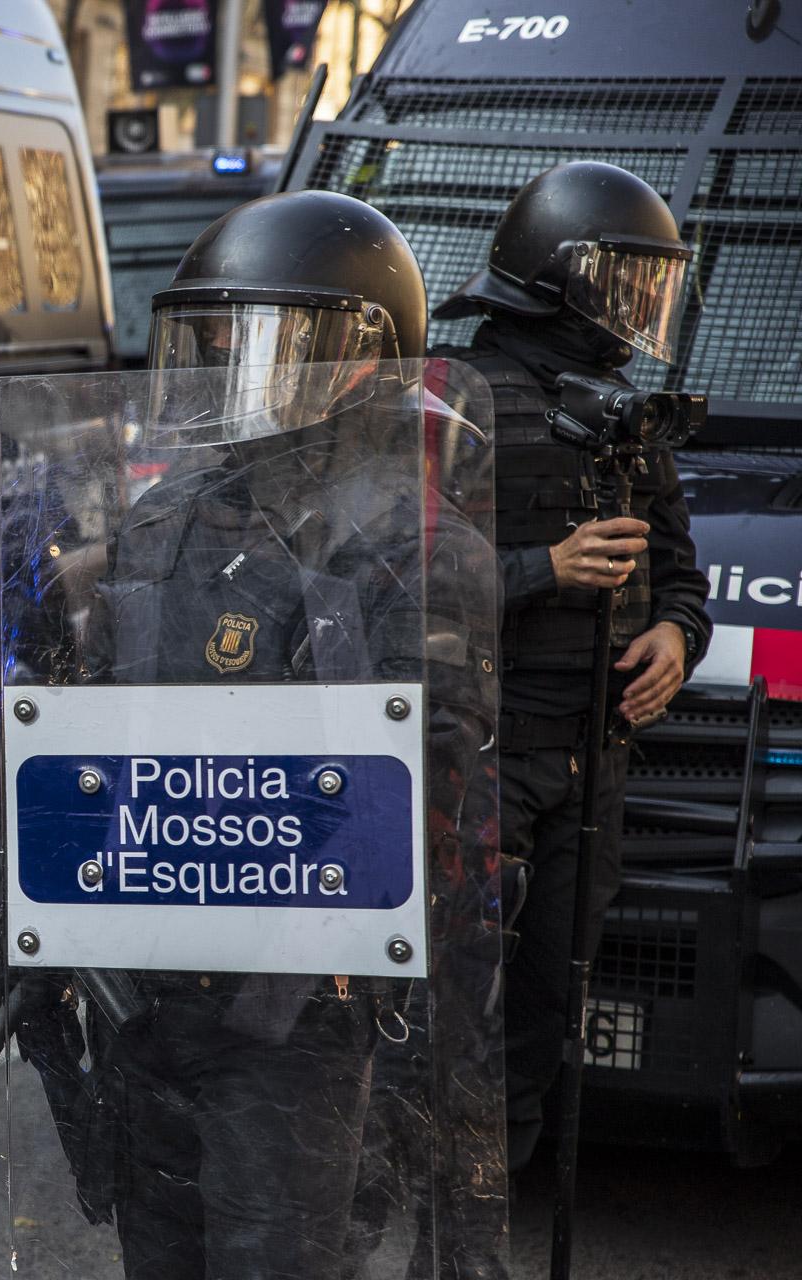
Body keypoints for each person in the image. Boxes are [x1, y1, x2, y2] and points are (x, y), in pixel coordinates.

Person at [16, 190, 502, 1278]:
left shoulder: (416, 546)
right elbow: (93, 731)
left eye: (271, 340)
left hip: (292, 1015)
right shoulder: (164, 515)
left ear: (367, 359)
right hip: (144, 993)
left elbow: (406, 805)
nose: (237, 369)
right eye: (217, 338)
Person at [430, 160, 712, 1174]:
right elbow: (384, 582)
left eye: (654, 284)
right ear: (564, 277)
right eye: (626, 282)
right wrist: (538, 568)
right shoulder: (456, 400)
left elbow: (682, 576)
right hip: (481, 756)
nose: (641, 307)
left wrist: (678, 634)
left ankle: (487, 1219)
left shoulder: (627, 409)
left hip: (594, 757)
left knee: (545, 1020)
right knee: (447, 1017)